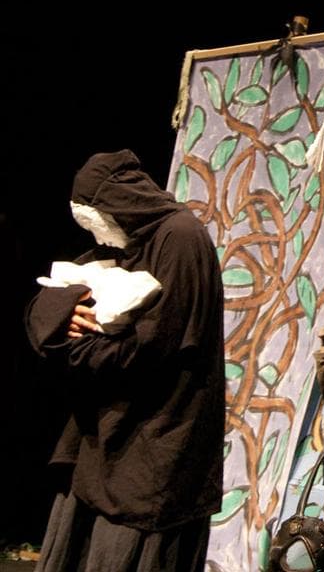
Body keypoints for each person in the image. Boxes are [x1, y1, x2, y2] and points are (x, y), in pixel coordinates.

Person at [25, 149, 225, 572]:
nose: (97, 233)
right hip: (104, 434)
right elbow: (51, 298)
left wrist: (74, 349)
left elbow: (153, 345)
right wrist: (61, 316)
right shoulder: (132, 238)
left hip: (155, 434)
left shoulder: (180, 237)